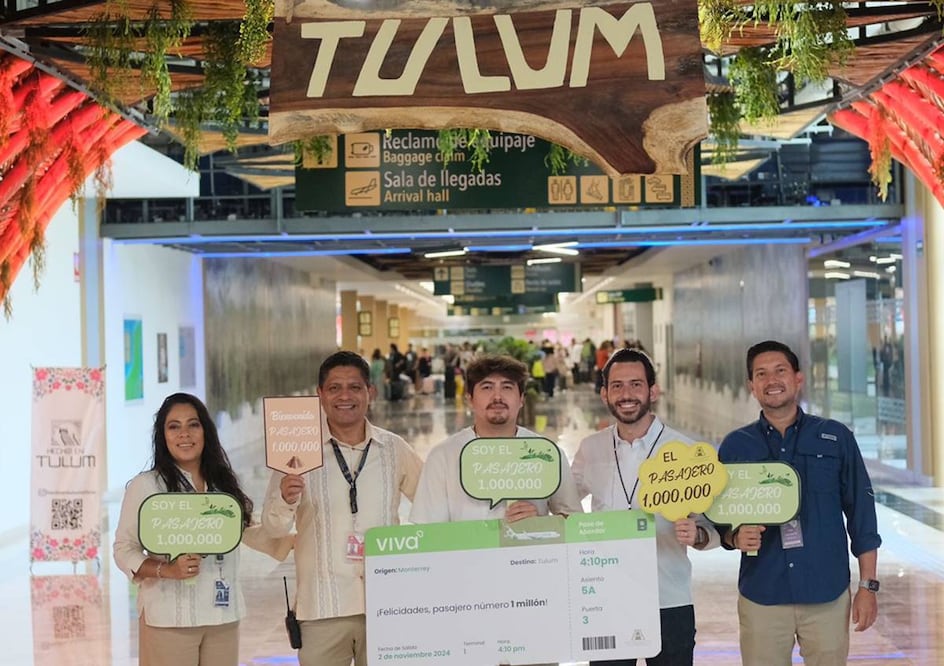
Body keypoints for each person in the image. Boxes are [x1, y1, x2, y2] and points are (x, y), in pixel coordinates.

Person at [717, 340, 882, 666]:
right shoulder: (736, 447)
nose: (771, 380)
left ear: (798, 378)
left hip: (826, 593)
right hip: (762, 594)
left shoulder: (835, 438)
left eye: (780, 371)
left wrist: (868, 586)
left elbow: (862, 516)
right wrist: (733, 537)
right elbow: (719, 519)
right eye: (761, 374)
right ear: (751, 386)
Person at [261, 351, 423, 666]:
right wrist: (285, 499)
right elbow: (272, 529)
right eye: (334, 388)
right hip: (322, 609)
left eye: (355, 387)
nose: (344, 396)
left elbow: (434, 503)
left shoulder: (394, 449)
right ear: (320, 394)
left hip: (386, 604)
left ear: (370, 392)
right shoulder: (296, 455)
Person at [572, 348, 719, 666]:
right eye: (617, 385)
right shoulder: (591, 449)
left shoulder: (685, 451)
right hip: (606, 600)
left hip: (669, 598)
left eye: (636, 384)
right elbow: (565, 506)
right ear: (604, 393)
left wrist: (697, 535)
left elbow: (711, 530)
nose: (627, 394)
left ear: (653, 390)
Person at [113, 392, 258, 666]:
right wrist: (166, 570)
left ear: (206, 431)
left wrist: (286, 503)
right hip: (169, 619)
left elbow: (250, 529)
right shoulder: (146, 486)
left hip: (222, 617)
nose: (185, 434)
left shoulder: (223, 485)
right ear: (162, 436)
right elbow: (123, 549)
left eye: (193, 424)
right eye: (174, 426)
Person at [411, 353, 582, 525]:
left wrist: (541, 523)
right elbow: (427, 530)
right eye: (487, 387)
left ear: (521, 398)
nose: (497, 397)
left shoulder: (547, 454)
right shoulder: (443, 457)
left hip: (529, 551)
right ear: (470, 399)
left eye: (507, 387)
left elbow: (574, 522)